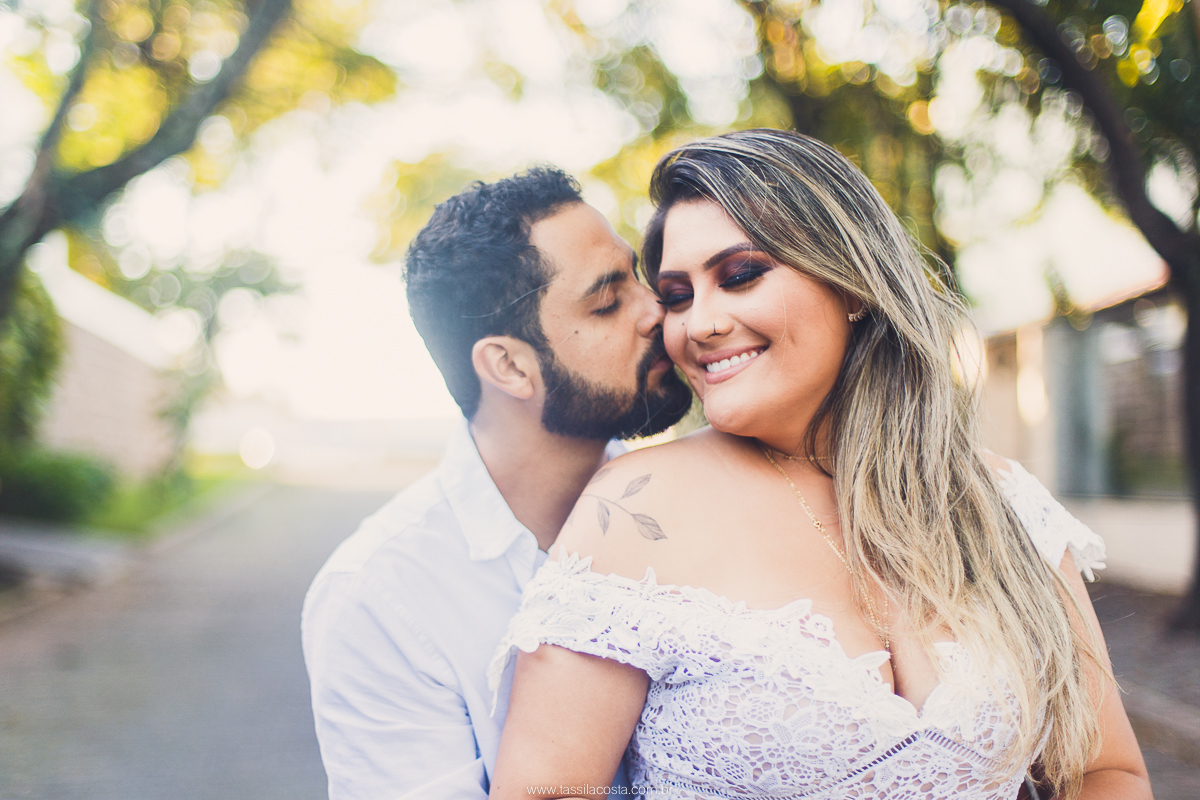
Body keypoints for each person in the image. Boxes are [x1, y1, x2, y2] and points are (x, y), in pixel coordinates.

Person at [487, 131, 1153, 800]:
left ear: (851, 282)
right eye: (678, 296)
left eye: (740, 275)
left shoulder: (1001, 501)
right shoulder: (634, 508)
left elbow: (1104, 771)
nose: (700, 324)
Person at [301, 167, 693, 799]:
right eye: (607, 302)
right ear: (509, 366)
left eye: (638, 280)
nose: (658, 310)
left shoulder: (700, 501)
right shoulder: (377, 597)